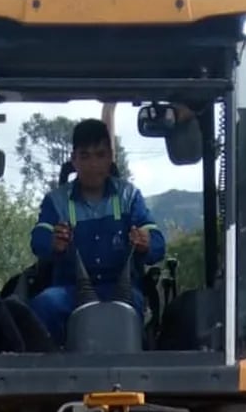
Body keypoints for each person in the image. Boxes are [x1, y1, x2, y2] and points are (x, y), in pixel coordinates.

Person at [27, 119, 163, 345]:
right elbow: (38, 239)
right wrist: (52, 242)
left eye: (100, 155)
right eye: (85, 156)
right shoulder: (56, 201)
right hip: (70, 290)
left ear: (110, 157)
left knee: (137, 305)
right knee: (45, 304)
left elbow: (157, 243)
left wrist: (145, 243)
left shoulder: (130, 196)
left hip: (122, 290)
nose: (93, 164)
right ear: (74, 160)